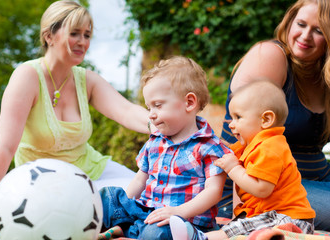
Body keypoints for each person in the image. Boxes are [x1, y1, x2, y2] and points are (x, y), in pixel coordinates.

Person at [0, 0, 151, 223]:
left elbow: (126, 111)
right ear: (49, 36)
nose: (83, 42)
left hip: (92, 170)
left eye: (87, 35)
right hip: (45, 182)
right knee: (99, 213)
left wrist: (159, 122)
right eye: (75, 33)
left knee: (149, 194)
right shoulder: (27, 77)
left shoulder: (87, 80)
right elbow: (5, 148)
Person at [218, 0, 330, 231]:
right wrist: (240, 214)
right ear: (289, 23)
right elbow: (239, 135)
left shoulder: (324, 75)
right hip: (272, 189)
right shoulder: (271, 56)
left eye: (318, 30)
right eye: (300, 24)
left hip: (318, 180)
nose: (305, 36)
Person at [99, 56, 231, 239]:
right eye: (148, 107)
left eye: (157, 105)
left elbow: (214, 192)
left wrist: (178, 212)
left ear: (189, 102)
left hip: (182, 222)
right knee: (108, 197)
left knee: (157, 232)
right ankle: (127, 226)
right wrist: (122, 208)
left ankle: (133, 230)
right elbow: (139, 181)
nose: (151, 115)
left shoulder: (209, 147)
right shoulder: (154, 142)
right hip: (146, 212)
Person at [170, 80, 315, 240]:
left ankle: (199, 238)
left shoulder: (271, 147)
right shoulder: (249, 145)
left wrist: (233, 169)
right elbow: (224, 150)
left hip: (289, 217)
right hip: (265, 215)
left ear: (266, 120)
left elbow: (262, 189)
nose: (231, 125)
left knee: (237, 228)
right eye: (231, 118)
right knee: (240, 225)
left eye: (238, 117)